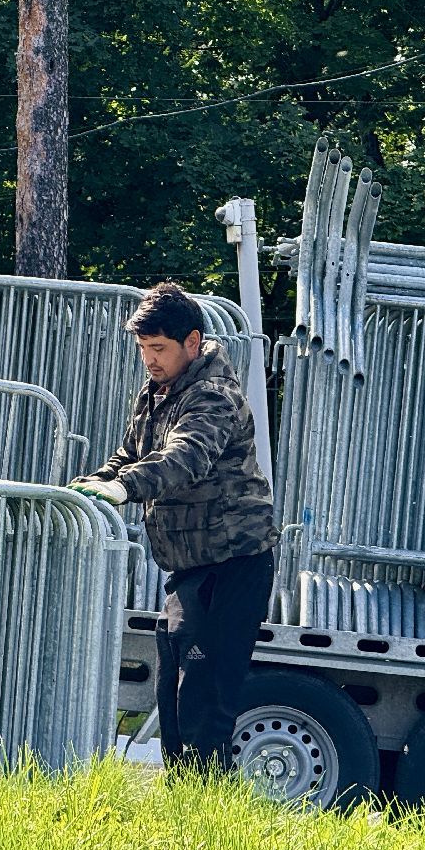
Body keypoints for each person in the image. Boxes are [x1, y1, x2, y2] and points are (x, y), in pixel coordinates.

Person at [70, 281, 277, 773]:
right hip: (190, 566)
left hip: (234, 564)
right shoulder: (157, 392)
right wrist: (93, 485)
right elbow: (133, 454)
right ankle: (189, 803)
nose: (149, 360)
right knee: (175, 691)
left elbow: (185, 458)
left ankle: (209, 812)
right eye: (143, 349)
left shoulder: (213, 395)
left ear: (192, 341)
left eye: (158, 348)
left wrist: (124, 489)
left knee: (204, 699)